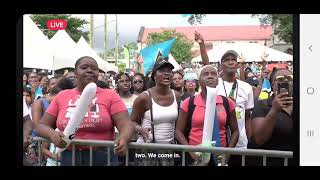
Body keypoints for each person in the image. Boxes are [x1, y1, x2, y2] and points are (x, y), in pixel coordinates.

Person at [35, 56, 135, 166]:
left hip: (102, 157)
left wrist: (124, 137)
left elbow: (126, 124)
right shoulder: (62, 96)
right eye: (84, 67)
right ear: (75, 73)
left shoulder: (110, 95)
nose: (89, 70)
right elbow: (42, 125)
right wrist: (52, 134)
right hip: (69, 157)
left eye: (94, 68)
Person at [195, 31, 254, 166]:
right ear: (221, 65)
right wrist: (202, 45)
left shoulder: (246, 87)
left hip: (240, 144)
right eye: (227, 60)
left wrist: (249, 137)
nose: (231, 62)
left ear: (238, 64)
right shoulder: (215, 85)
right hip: (219, 141)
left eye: (233, 59)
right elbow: (206, 66)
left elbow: (248, 116)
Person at [175, 65, 239, 166]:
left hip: (219, 158)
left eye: (213, 74)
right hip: (196, 157)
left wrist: (228, 152)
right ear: (199, 81)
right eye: (205, 74)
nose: (210, 76)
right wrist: (190, 151)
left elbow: (235, 131)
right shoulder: (189, 102)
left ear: (218, 80)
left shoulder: (227, 102)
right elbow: (178, 131)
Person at [131, 59, 180, 166]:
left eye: (169, 71)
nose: (166, 73)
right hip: (147, 150)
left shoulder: (176, 95)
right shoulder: (144, 97)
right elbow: (131, 122)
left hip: (169, 150)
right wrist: (140, 129)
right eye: (162, 71)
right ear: (154, 76)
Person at [247, 68, 294, 166]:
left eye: (290, 78)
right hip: (270, 161)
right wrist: (274, 110)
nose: (286, 81)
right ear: (273, 85)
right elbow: (259, 139)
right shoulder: (262, 104)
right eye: (280, 79)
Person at [32, 77, 74, 166]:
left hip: (58, 143)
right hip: (41, 143)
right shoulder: (40, 102)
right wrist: (52, 134)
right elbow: (37, 127)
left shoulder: (66, 102)